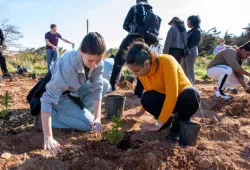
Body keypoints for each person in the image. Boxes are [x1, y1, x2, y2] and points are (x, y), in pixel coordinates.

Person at [30, 32, 109, 153]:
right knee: (89, 125)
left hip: (74, 89)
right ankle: (43, 119)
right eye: (90, 61)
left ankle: (76, 112)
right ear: (81, 51)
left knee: (105, 84)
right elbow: (47, 98)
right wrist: (48, 136)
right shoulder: (67, 66)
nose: (94, 65)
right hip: (60, 93)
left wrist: (97, 118)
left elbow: (97, 88)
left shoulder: (97, 61)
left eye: (97, 61)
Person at [125, 41, 200, 142]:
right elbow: (148, 91)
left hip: (181, 99)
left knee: (192, 94)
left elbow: (172, 95)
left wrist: (157, 124)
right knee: (146, 98)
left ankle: (179, 123)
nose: (135, 74)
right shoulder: (142, 73)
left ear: (146, 64)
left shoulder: (166, 61)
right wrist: (140, 113)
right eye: (132, 71)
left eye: (136, 71)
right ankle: (165, 122)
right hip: (166, 100)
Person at [110, 0, 153, 97]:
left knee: (119, 59)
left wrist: (133, 29)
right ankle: (139, 92)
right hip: (146, 40)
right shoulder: (150, 10)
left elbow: (125, 25)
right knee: (143, 64)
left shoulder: (135, 8)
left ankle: (112, 85)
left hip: (132, 37)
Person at [182, 15, 201, 84]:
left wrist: (186, 49)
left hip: (191, 51)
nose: (187, 23)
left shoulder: (196, 31)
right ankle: (186, 84)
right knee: (184, 68)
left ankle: (191, 84)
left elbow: (194, 42)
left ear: (192, 22)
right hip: (187, 51)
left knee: (190, 69)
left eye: (188, 22)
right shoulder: (190, 31)